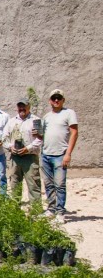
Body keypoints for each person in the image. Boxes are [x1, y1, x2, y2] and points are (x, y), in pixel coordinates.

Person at [40, 88, 79, 224]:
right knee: (48, 184)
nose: (56, 100)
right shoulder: (46, 117)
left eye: (59, 98)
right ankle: (51, 209)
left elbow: (74, 133)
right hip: (46, 154)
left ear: (63, 100)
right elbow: (43, 135)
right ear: (50, 101)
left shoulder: (69, 113)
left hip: (60, 155)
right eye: (53, 98)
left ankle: (60, 212)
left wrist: (68, 154)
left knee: (60, 185)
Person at [3, 97, 42, 207]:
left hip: (30, 157)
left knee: (33, 184)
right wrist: (10, 147)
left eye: (24, 106)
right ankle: (15, 208)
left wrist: (28, 148)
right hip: (15, 158)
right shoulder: (11, 121)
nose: (22, 108)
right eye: (20, 106)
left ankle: (36, 210)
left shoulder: (36, 120)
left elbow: (40, 139)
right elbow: (4, 138)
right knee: (14, 183)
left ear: (29, 107)